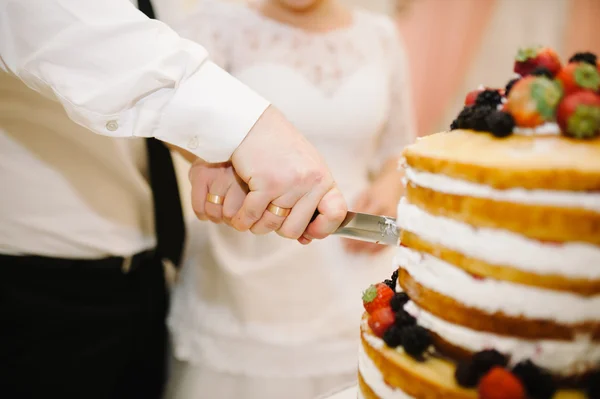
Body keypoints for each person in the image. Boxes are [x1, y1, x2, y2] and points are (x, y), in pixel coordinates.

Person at [0, 0, 348, 398]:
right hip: (40, 282)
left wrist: (209, 151)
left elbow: (145, 93)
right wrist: (248, 129)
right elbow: (57, 21)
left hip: (150, 273)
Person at [165, 0, 416, 398]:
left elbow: (398, 147)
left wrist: (387, 189)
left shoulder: (381, 35)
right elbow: (177, 124)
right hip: (253, 265)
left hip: (355, 261)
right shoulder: (213, 26)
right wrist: (211, 162)